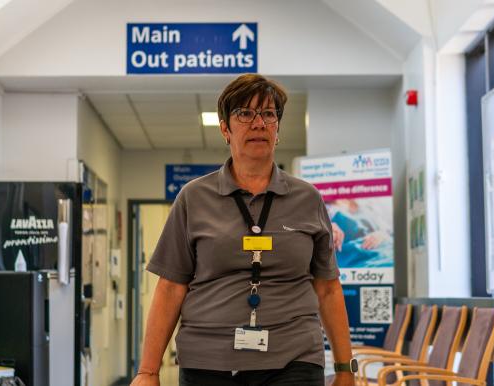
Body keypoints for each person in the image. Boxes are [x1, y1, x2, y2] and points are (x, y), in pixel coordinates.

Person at [130, 74, 355, 386]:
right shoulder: (194, 198)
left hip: (294, 358)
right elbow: (170, 288)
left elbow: (328, 288)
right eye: (245, 114)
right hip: (208, 361)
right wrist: (148, 371)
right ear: (225, 128)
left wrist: (345, 369)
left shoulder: (307, 198)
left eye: (268, 114)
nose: (258, 123)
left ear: (277, 129)